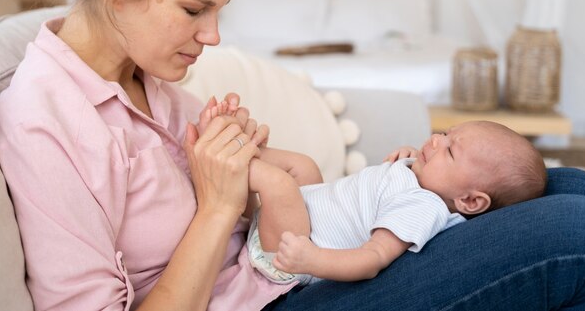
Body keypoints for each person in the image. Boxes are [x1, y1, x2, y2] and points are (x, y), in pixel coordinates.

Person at [0, 0, 585, 310]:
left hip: (285, 271)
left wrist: (245, 159)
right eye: (195, 10)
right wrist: (220, 205)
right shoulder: (45, 121)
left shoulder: (144, 76)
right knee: (575, 231)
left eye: (219, 12)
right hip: (276, 298)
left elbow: (247, 197)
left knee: (565, 184)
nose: (214, 36)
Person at [199, 105, 547, 285]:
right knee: (303, 166)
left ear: (471, 202)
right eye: (444, 134)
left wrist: (311, 259)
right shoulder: (427, 182)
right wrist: (416, 158)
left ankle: (220, 155)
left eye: (450, 152)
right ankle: (235, 145)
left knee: (281, 184)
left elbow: (373, 259)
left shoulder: (422, 208)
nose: (436, 141)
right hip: (302, 215)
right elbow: (391, 186)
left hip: (288, 256)